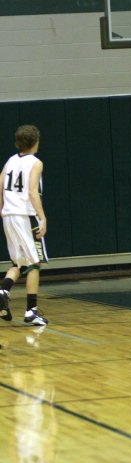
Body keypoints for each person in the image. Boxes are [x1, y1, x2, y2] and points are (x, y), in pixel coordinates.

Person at [0, 125, 48, 326]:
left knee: (18, 263)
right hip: (24, 216)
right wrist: (42, 217)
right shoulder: (36, 163)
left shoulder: (11, 160)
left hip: (9, 215)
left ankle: (3, 290)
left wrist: (2, 207)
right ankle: (31, 311)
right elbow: (31, 192)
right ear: (36, 141)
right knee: (34, 263)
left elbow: (0, 182)